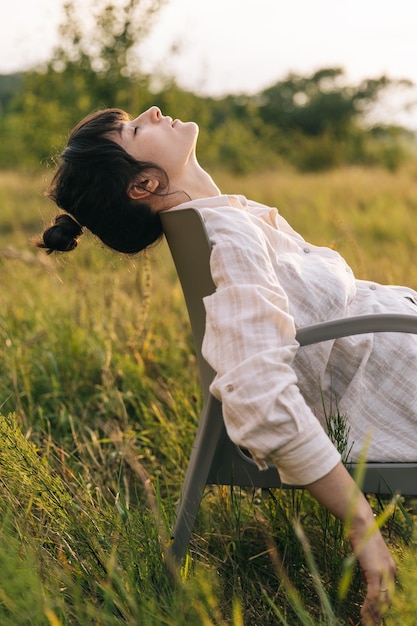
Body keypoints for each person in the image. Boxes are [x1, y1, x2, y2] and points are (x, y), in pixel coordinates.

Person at [37, 105, 413, 625]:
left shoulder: (220, 218)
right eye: (132, 129)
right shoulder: (226, 237)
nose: (151, 111)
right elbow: (256, 390)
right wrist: (362, 526)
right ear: (144, 184)